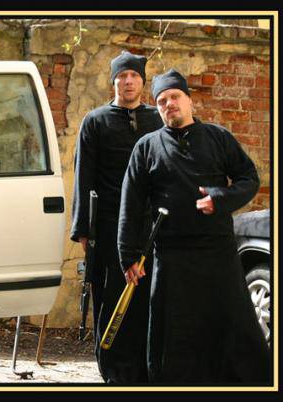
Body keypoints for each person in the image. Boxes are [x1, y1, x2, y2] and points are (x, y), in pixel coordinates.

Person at [118, 69, 271, 384]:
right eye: (162, 101)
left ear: (189, 100)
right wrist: (128, 254)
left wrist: (221, 198)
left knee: (233, 330)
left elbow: (249, 179)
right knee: (173, 338)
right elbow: (130, 204)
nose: (169, 104)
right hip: (171, 258)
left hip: (218, 255)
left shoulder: (218, 137)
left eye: (175, 97)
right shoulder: (146, 147)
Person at [70, 50, 163, 383]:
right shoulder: (95, 121)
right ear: (113, 82)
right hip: (108, 225)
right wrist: (83, 229)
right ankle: (113, 369)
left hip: (149, 225)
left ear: (142, 82)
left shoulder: (157, 120)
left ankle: (143, 368)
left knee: (146, 297)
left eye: (134, 76)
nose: (128, 81)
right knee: (110, 296)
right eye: (122, 76)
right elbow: (83, 176)